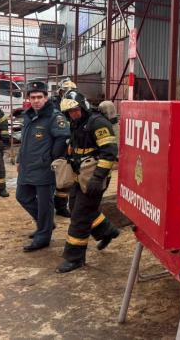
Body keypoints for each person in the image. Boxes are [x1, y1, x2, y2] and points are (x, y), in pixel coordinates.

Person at [56, 92, 119, 273]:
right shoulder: (77, 123)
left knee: (79, 217)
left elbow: (109, 153)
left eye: (75, 110)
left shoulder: (98, 123)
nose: (72, 114)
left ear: (82, 106)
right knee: (76, 206)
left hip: (94, 178)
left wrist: (98, 178)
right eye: (69, 112)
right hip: (80, 177)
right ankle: (107, 231)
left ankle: (75, 258)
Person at [16, 81, 70, 252]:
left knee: (45, 204)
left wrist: (51, 158)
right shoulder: (28, 115)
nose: (36, 100)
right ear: (29, 99)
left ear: (46, 98)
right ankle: (46, 224)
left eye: (40, 97)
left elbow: (62, 138)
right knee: (22, 196)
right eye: (33, 97)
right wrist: (19, 160)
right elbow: (24, 141)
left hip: (44, 167)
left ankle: (43, 237)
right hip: (27, 166)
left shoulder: (55, 116)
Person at [51, 78, 77, 218]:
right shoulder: (52, 105)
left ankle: (61, 206)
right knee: (50, 175)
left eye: (71, 91)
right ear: (60, 92)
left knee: (65, 174)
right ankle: (46, 205)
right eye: (65, 90)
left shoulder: (76, 103)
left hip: (68, 144)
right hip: (53, 144)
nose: (68, 93)